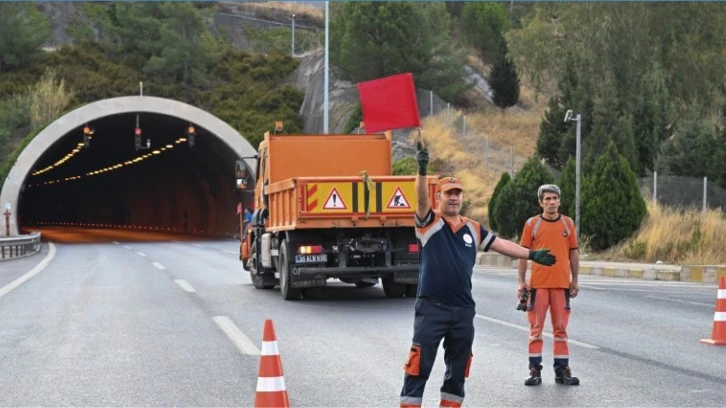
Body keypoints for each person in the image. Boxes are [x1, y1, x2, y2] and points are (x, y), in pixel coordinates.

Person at [399, 143, 558, 408]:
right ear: (439, 197)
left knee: (458, 370)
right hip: (431, 309)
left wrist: (530, 254)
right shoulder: (429, 223)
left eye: (458, 194)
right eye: (449, 194)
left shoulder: (472, 228)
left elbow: (501, 244)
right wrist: (422, 169)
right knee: (419, 366)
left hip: (462, 310)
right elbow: (421, 200)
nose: (454, 198)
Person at [517, 184, 580, 386]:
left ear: (559, 200)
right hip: (538, 286)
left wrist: (575, 279)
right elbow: (523, 254)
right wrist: (521, 281)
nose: (552, 202)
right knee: (536, 329)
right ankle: (534, 370)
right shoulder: (531, 224)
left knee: (561, 329)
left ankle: (562, 371)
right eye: (547, 199)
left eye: (555, 198)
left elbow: (573, 252)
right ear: (540, 202)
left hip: (561, 285)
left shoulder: (568, 224)